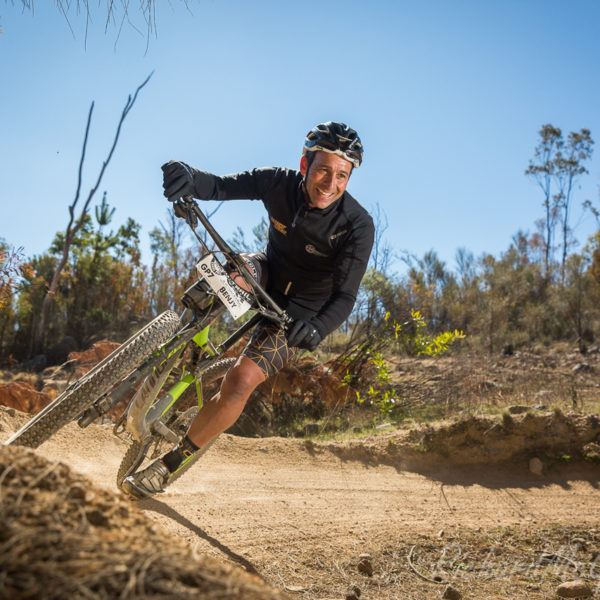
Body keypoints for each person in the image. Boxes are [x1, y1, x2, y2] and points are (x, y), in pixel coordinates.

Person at [122, 121, 374, 499]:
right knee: (230, 271)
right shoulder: (277, 182)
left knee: (239, 382)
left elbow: (345, 296)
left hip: (298, 314)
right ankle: (180, 347)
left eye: (342, 175)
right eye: (323, 169)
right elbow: (219, 186)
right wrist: (186, 175)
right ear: (305, 165)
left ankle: (167, 466)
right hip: (265, 274)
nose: (330, 183)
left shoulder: (357, 225)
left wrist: (318, 328)